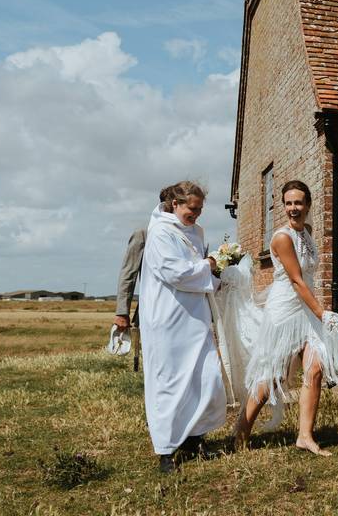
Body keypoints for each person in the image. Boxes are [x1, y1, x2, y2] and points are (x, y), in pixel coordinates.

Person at [233, 180, 338, 456]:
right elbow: (295, 279)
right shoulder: (282, 238)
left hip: (306, 306)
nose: (293, 208)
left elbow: (307, 280)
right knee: (272, 376)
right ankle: (241, 430)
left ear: (308, 205)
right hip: (285, 310)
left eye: (298, 203)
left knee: (315, 369)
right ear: (284, 206)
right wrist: (323, 313)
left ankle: (305, 436)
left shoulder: (308, 232)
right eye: (289, 203)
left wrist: (315, 312)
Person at [137, 180, 226, 473]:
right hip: (168, 319)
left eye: (200, 209)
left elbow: (197, 272)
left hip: (196, 318)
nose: (197, 215)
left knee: (204, 377)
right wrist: (209, 267)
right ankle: (166, 450)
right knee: (169, 383)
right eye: (192, 209)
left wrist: (218, 276)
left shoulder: (196, 232)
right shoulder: (160, 233)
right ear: (175, 204)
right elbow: (174, 272)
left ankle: (194, 439)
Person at [113, 185, 175, 332]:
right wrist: (122, 312)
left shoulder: (191, 234)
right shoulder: (144, 233)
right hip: (153, 309)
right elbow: (128, 273)